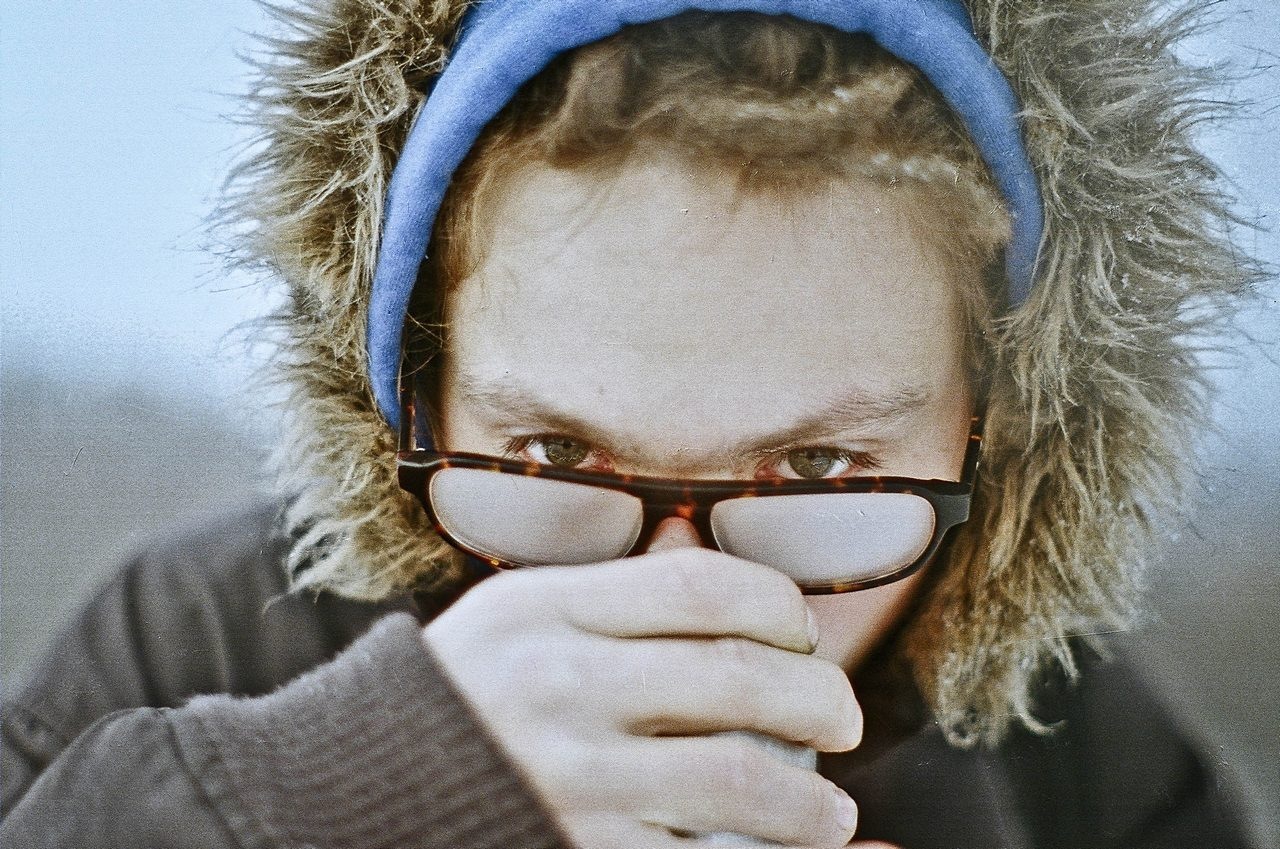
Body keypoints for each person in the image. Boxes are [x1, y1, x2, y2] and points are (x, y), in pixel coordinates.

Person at [0, 1, 1261, 847]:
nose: (682, 595)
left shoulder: (1075, 753)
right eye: (554, 456)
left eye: (814, 468)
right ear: (413, 402)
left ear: (993, 439)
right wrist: (340, 793)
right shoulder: (197, 638)